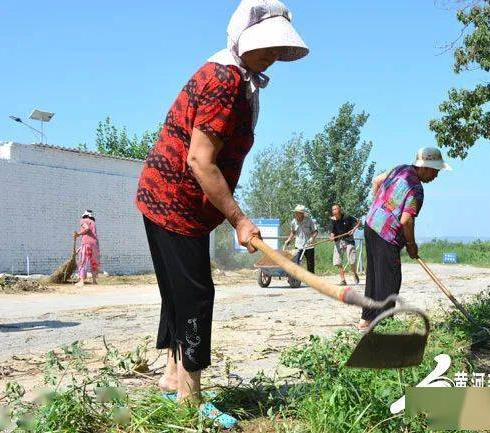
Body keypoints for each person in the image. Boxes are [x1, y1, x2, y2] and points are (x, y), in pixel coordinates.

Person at [134, 0, 309, 419]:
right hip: (176, 203)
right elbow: (200, 160)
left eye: (277, 49)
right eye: (265, 46)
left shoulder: (230, 74)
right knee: (195, 296)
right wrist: (239, 218)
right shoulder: (226, 82)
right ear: (242, 40)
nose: (273, 56)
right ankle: (191, 399)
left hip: (163, 198)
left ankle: (173, 377)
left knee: (178, 294)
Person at [357, 147, 451, 330]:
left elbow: (377, 181)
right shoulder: (416, 188)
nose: (436, 175)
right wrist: (411, 245)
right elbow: (406, 220)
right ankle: (382, 326)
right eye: (434, 171)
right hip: (387, 235)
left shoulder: (400, 168)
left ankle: (366, 320)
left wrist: (378, 206)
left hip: (371, 224)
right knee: (390, 281)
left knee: (375, 276)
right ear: (424, 167)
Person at [329, 204, 361, 285]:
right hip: (338, 241)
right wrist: (332, 237)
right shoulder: (332, 220)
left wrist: (353, 230)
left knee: (351, 261)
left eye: (335, 209)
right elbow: (332, 231)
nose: (334, 211)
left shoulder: (347, 217)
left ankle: (354, 273)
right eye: (333, 210)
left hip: (348, 240)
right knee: (338, 261)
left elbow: (359, 222)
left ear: (339, 210)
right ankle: (343, 280)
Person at [283, 205, 318, 273]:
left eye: (297, 212)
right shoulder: (294, 222)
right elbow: (293, 232)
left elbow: (316, 231)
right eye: (295, 212)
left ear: (302, 213)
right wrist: (289, 239)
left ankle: (311, 280)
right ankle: (296, 278)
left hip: (309, 245)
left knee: (310, 264)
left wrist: (312, 238)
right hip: (298, 245)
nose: (295, 214)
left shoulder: (309, 221)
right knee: (296, 262)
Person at [73, 210, 100, 287]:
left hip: (86, 244)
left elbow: (87, 228)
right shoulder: (93, 223)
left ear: (84, 216)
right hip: (95, 244)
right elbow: (91, 237)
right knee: (94, 262)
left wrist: (78, 234)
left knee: (83, 261)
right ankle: (94, 281)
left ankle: (81, 281)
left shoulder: (83, 220)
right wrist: (79, 249)